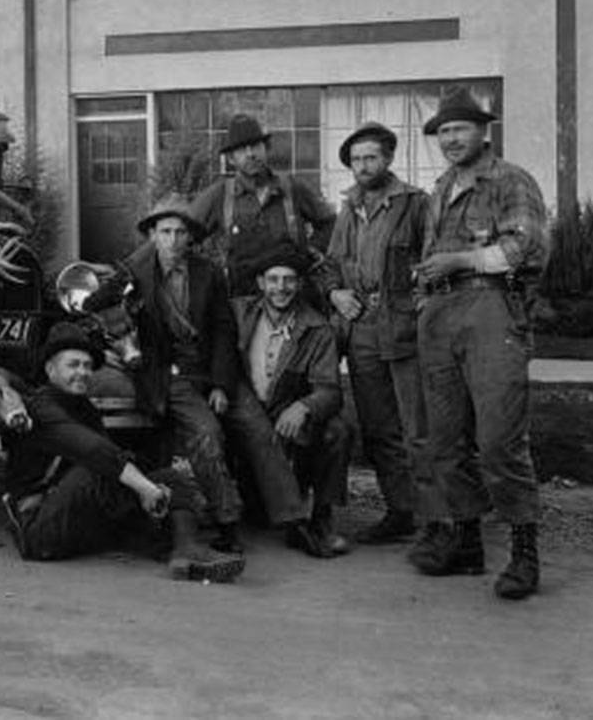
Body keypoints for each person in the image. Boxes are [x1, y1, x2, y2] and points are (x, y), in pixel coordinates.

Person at [409, 87, 548, 600]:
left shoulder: (509, 180)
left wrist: (462, 262)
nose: (449, 139)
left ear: (483, 131)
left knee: (498, 441)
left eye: (459, 129)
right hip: (439, 314)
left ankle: (524, 552)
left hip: (491, 311)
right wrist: (426, 286)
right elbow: (432, 254)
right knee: (445, 440)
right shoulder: (441, 187)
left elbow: (527, 245)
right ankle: (467, 542)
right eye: (443, 131)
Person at [0, 322, 244, 582]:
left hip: (80, 517)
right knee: (102, 467)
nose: (82, 372)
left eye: (87, 366)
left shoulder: (85, 408)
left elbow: (115, 459)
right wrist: (145, 488)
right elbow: (93, 450)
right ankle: (162, 539)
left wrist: (152, 487)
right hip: (41, 530)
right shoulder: (41, 407)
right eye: (73, 365)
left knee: (170, 477)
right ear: (50, 370)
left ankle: (186, 550)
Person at [321, 122, 441, 544]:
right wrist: (336, 293)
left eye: (371, 157)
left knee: (418, 427)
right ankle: (401, 511)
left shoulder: (414, 204)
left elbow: (433, 262)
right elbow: (332, 265)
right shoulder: (349, 207)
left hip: (405, 327)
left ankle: (438, 521)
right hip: (361, 331)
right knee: (378, 427)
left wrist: (420, 307)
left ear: (388, 158)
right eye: (356, 159)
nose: (363, 166)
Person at [111, 193, 244, 555]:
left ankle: (241, 516)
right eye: (165, 231)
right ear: (152, 234)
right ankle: (227, 521)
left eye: (180, 232)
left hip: (202, 367)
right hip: (162, 373)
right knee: (206, 433)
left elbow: (223, 330)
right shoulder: (131, 273)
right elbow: (111, 321)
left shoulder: (208, 273)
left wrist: (220, 384)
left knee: (239, 427)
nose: (172, 240)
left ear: (190, 237)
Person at [225, 242, 352, 558]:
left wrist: (303, 406)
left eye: (289, 280)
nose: (280, 288)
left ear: (299, 284)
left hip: (285, 423)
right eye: (273, 279)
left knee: (337, 431)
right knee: (256, 514)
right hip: (244, 419)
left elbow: (330, 390)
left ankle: (321, 518)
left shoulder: (316, 328)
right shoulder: (238, 313)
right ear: (260, 283)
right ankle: (228, 512)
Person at [188, 113, 335, 296]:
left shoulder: (291, 188)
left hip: (292, 298)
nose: (250, 154)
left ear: (266, 149)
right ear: (231, 159)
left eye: (256, 146)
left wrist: (310, 251)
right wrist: (208, 275)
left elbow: (330, 223)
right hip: (242, 304)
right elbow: (183, 233)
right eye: (241, 149)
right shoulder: (219, 195)